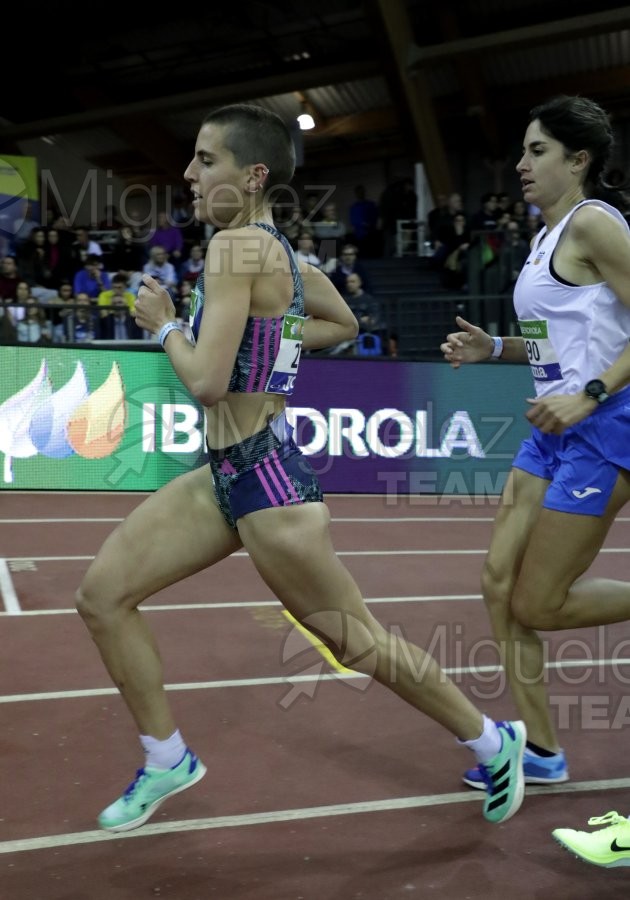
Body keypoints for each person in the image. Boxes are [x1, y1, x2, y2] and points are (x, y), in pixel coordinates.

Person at [76, 103, 525, 834]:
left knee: (356, 641)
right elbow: (344, 324)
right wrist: (272, 339)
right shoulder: (278, 252)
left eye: (205, 160)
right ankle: (167, 758)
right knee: (101, 596)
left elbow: (206, 384)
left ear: (252, 175)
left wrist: (161, 324)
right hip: (228, 474)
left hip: (270, 485)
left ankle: (490, 738)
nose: (188, 174)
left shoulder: (233, 251)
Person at [440, 94, 630, 867]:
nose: (521, 163)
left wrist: (587, 395)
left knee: (538, 602)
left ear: (578, 159)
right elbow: (561, 342)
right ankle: (543, 751)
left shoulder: (596, 223)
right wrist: (498, 351)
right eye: (523, 150)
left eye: (537, 149)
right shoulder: (545, 236)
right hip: (550, 429)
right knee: (495, 582)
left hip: (604, 425)